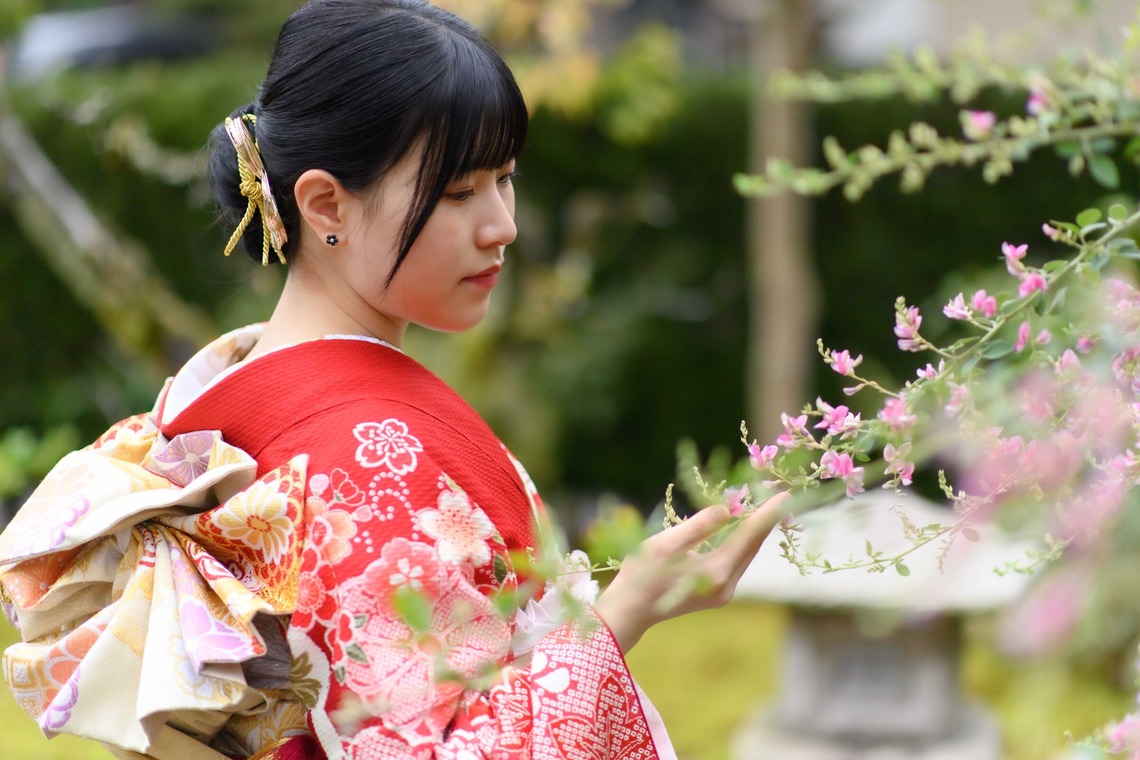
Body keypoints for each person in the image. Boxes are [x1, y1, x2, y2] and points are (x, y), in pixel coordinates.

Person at [0, 1, 783, 758]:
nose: (501, 224)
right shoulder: (370, 456)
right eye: (458, 192)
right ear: (325, 203)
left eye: (505, 178)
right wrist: (624, 611)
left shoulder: (213, 397)